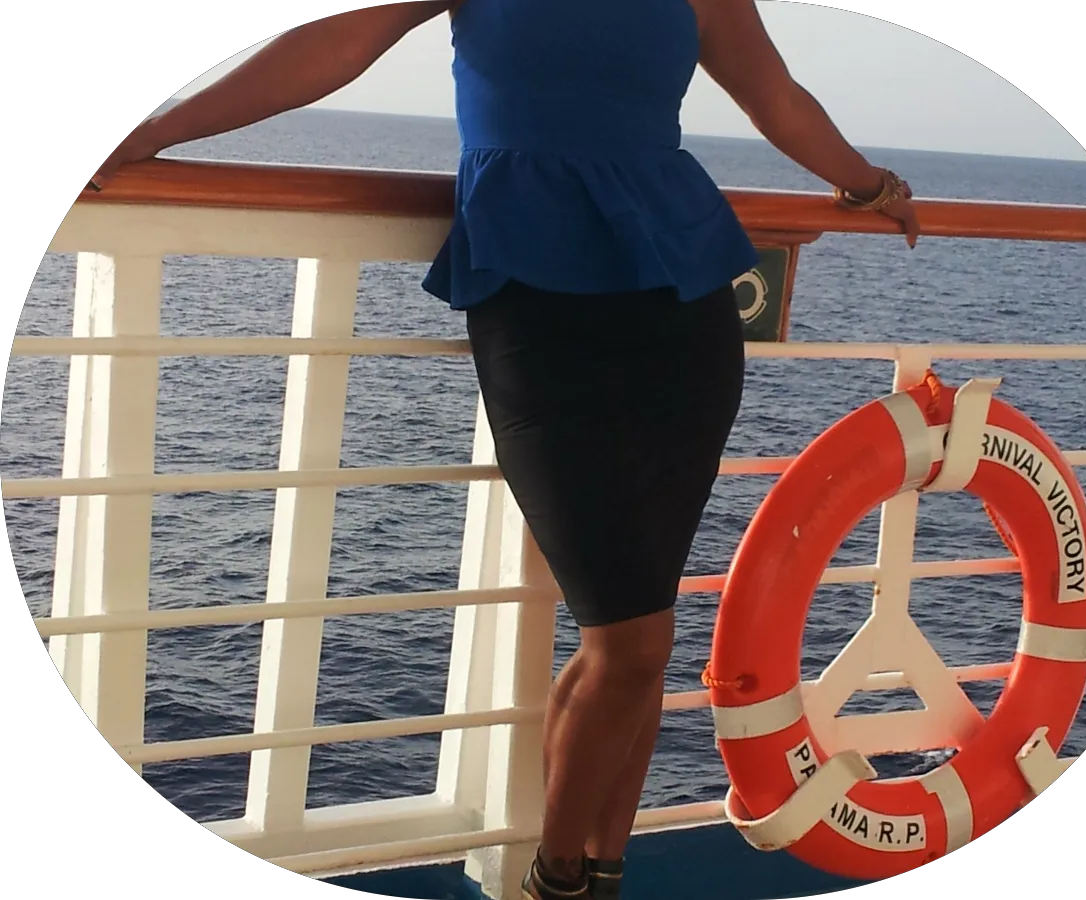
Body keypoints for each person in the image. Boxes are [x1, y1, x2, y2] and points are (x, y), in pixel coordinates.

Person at [91, 3, 919, 898]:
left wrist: (868, 183)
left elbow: (775, 96)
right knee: (629, 639)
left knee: (640, 630)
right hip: (534, 299)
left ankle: (599, 872)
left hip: (681, 306)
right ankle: (556, 881)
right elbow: (334, 44)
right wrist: (157, 132)